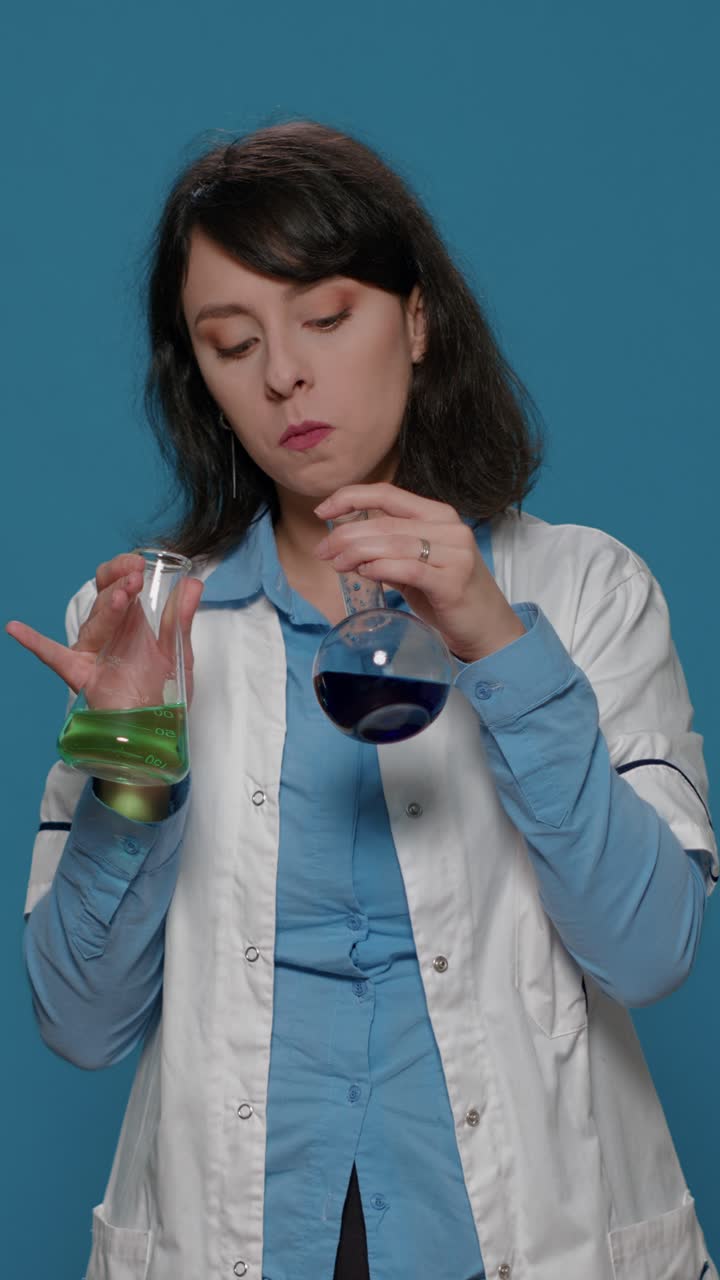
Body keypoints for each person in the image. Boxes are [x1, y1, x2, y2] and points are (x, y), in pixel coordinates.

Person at [8, 120, 717, 1280]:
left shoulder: (583, 591)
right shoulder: (149, 627)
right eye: (232, 343)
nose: (284, 372)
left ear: (418, 318)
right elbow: (78, 1026)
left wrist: (494, 639)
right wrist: (132, 753)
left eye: (327, 318)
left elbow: (650, 950)